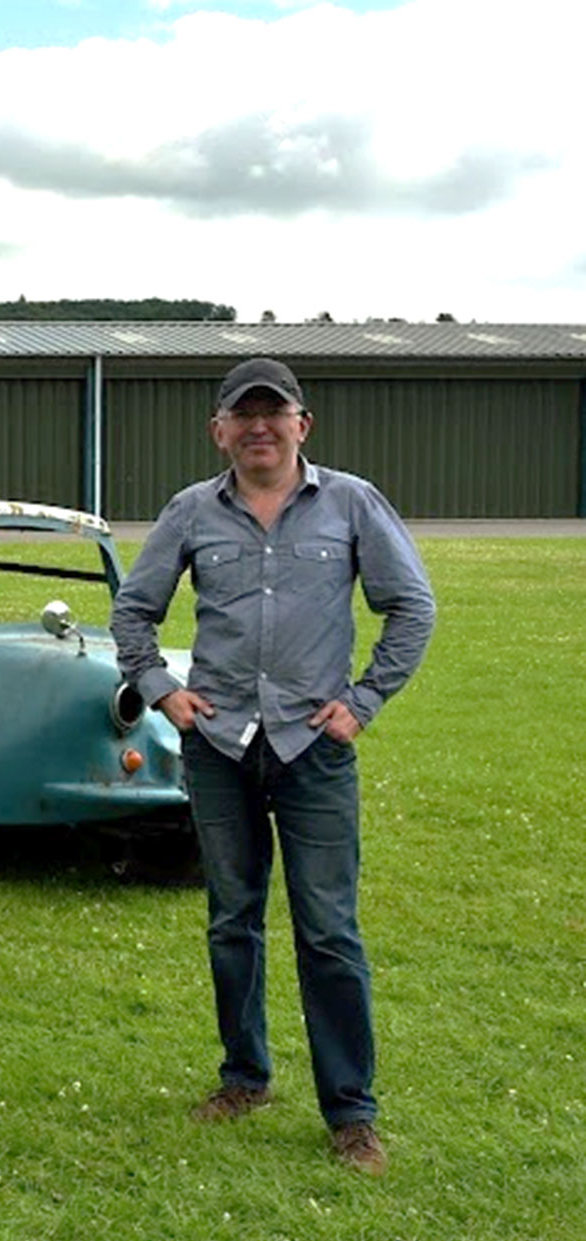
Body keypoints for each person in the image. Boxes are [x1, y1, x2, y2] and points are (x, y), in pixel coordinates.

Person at [111, 357, 436, 1174]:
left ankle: (352, 1114)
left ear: (303, 423)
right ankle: (245, 1077)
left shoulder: (352, 504)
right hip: (219, 749)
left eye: (274, 413)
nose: (260, 427)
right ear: (219, 429)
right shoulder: (191, 512)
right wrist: (161, 689)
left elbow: (411, 605)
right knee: (232, 921)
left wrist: (362, 702)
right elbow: (133, 609)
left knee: (329, 931)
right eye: (242, 415)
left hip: (314, 751)